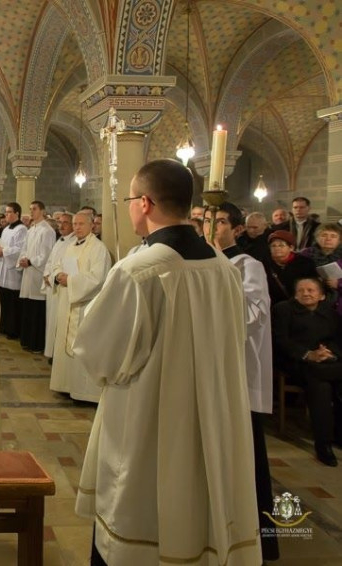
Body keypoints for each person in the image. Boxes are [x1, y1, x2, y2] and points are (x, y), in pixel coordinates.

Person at [73, 159, 261, 565]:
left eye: (129, 201)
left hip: (150, 423)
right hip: (214, 417)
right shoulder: (223, 267)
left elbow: (98, 355)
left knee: (140, 519)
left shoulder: (139, 271)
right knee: (201, 512)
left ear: (144, 203)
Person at [204, 202, 279, 561]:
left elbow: (253, 316)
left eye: (219, 222)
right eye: (207, 220)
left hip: (236, 373)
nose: (211, 227)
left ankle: (254, 536)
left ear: (236, 229)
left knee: (245, 458)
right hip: (206, 372)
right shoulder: (199, 264)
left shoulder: (247, 265)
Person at [272, 277, 342, 466]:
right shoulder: (283, 310)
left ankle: (337, 435)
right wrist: (309, 354)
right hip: (296, 362)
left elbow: (337, 339)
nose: (306, 293)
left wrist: (329, 353)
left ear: (321, 296)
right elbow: (281, 341)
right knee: (321, 385)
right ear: (295, 294)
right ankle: (324, 445)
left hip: (326, 362)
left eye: (311, 290)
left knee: (322, 378)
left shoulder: (330, 313)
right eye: (301, 290)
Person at [47, 212, 111, 401]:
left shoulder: (98, 248)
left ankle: (83, 391)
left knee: (81, 345)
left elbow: (98, 278)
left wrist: (71, 281)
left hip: (85, 305)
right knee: (64, 343)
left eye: (81, 224)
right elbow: (57, 265)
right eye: (75, 224)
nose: (77, 227)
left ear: (92, 225)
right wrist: (58, 276)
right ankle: (65, 384)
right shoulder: (70, 246)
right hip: (67, 301)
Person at [17, 201, 55, 352]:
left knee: (37, 310)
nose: (31, 211)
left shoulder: (47, 231)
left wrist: (31, 261)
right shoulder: (31, 229)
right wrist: (23, 259)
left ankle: (37, 344)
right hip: (28, 273)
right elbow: (24, 248)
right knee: (28, 307)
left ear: (42, 211)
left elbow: (47, 254)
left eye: (34, 209)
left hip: (38, 274)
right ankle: (27, 341)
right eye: (30, 209)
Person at [43, 212, 76, 362]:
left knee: (59, 322)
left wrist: (54, 277)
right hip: (52, 286)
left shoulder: (74, 242)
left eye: (65, 223)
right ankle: (51, 352)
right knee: (51, 321)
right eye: (59, 223)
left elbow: (66, 266)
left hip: (62, 287)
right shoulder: (60, 240)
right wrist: (46, 274)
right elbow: (51, 261)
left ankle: (57, 355)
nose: (61, 226)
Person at [0, 202, 27, 339]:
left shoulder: (22, 229)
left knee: (12, 302)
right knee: (2, 299)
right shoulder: (6, 228)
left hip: (12, 272)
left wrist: (4, 251)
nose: (6, 214)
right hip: (2, 268)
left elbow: (20, 249)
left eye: (9, 212)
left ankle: (12, 330)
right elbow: (0, 243)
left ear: (16, 213)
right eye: (6, 212)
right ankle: (2, 326)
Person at [264, 230, 318, 305]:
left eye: (281, 245)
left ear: (291, 248)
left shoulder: (305, 263)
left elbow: (313, 284)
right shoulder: (264, 264)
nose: (277, 248)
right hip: (273, 305)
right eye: (273, 246)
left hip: (299, 304)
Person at [299, 222, 342, 316]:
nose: (328, 238)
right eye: (324, 235)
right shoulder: (305, 255)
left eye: (333, 236)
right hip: (310, 301)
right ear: (317, 238)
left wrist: (338, 283)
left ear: (339, 240)